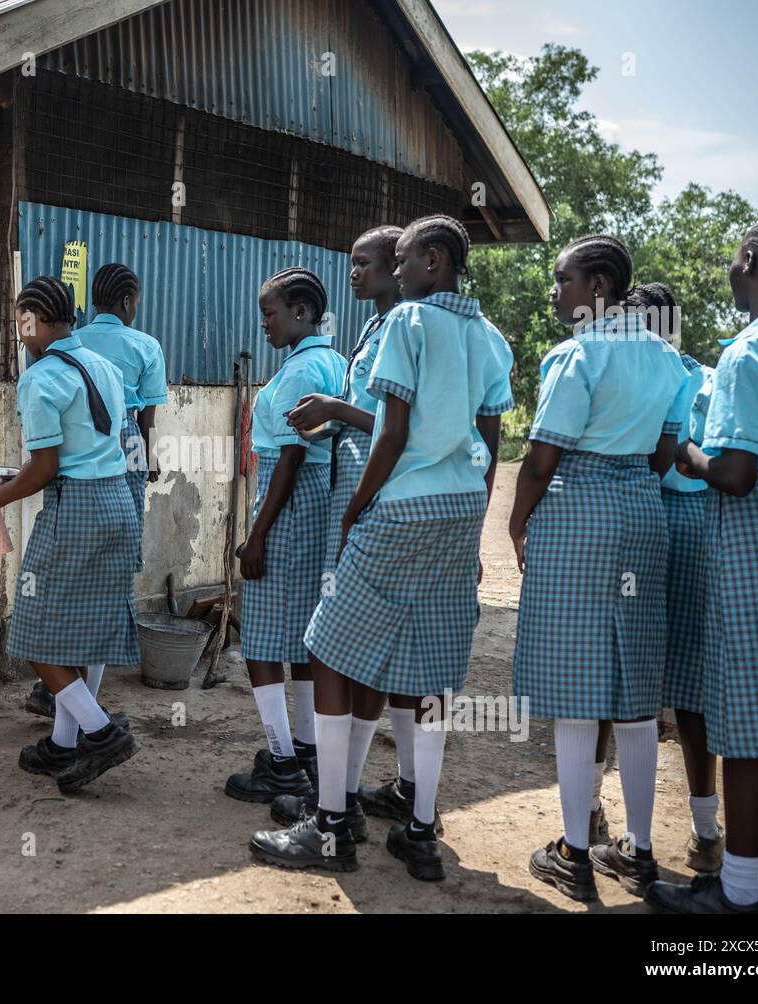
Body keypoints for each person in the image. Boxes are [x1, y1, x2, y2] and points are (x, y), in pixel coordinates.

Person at [249, 216, 512, 876]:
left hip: (398, 504)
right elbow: (491, 441)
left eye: (399, 260)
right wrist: (474, 519)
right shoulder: (490, 337)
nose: (391, 272)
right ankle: (419, 829)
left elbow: (393, 433)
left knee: (329, 651)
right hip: (458, 507)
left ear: (432, 259)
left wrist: (357, 509)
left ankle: (331, 826)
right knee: (429, 669)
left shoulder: (405, 326)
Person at [648, 216, 758, 914]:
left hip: (752, 534)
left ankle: (739, 893)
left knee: (751, 720)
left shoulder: (745, 355)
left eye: (733, 259)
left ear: (751, 260)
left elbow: (735, 475)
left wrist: (686, 454)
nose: (730, 271)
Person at [510, 234, 690, 901]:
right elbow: (665, 451)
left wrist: (516, 521)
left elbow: (542, 457)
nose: (555, 290)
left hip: (577, 516)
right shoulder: (669, 361)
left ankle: (574, 853)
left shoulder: (576, 354)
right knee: (636, 693)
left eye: (563, 279)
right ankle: (639, 853)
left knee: (576, 690)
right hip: (643, 515)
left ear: (598, 289)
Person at [0, 277, 139, 795]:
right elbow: (95, 443)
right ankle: (64, 744)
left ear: (39, 320)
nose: (21, 336)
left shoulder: (40, 378)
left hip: (77, 509)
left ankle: (101, 733)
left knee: (36, 633)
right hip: (119, 502)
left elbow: (44, 468)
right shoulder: (106, 367)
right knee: (85, 628)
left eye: (23, 324)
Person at [270, 224, 402, 837]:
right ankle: (341, 791)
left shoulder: (406, 329)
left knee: (337, 645)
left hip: (367, 499)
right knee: (352, 648)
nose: (353, 274)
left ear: (400, 266)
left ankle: (330, 806)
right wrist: (328, 426)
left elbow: (397, 420)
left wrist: (332, 412)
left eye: (363, 263)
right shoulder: (370, 330)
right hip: (350, 485)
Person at [22, 264, 167, 720]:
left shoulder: (50, 365)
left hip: (75, 485)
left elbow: (47, 460)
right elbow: (143, 423)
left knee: (44, 615)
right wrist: (148, 457)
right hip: (119, 471)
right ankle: (78, 714)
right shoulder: (136, 349)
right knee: (106, 594)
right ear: (128, 302)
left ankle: (83, 716)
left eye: (24, 324)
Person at [225, 268, 345, 804]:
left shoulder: (300, 372)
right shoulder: (332, 360)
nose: (265, 324)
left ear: (300, 311)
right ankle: (305, 750)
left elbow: (291, 458)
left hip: (290, 504)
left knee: (260, 641)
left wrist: (257, 537)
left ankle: (281, 761)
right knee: (302, 636)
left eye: (270, 313)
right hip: (317, 504)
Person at [628, 281, 724, 875]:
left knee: (647, 678)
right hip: (675, 518)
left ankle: (702, 827)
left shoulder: (665, 377)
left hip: (662, 516)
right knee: (670, 682)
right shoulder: (698, 375)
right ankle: (703, 829)